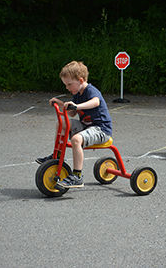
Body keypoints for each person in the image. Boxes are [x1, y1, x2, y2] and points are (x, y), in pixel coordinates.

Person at [36, 61, 112, 189]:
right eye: (66, 85)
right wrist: (61, 103)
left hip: (101, 129)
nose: (67, 88)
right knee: (63, 123)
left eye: (69, 84)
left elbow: (96, 102)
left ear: (80, 80)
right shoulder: (77, 95)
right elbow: (71, 113)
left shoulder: (90, 90)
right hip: (86, 127)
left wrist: (78, 106)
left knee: (76, 139)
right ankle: (57, 156)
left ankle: (77, 176)